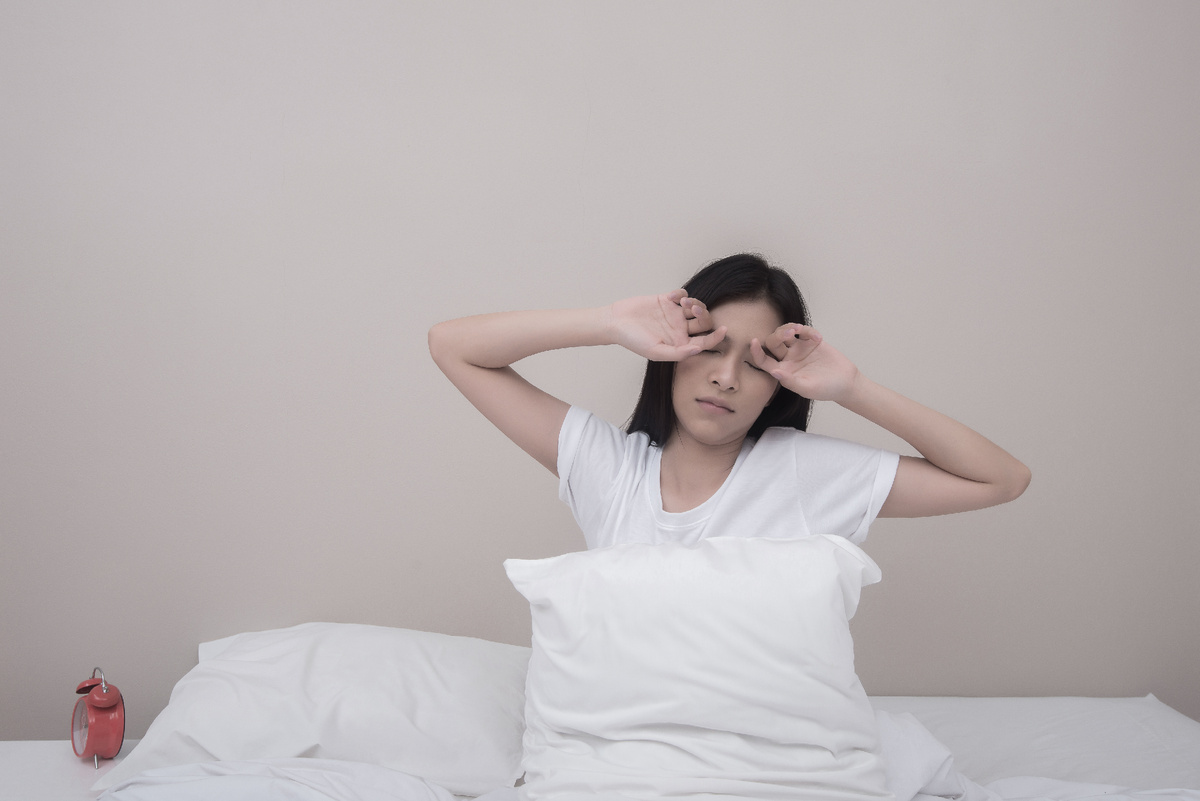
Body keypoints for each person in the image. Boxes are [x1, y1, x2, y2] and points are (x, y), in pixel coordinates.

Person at [428, 253, 1030, 550]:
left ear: (779, 385)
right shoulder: (608, 470)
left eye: (756, 362)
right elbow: (452, 346)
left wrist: (853, 388)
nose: (725, 378)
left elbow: (1002, 479)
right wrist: (607, 322)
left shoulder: (802, 473)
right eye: (709, 347)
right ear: (671, 350)